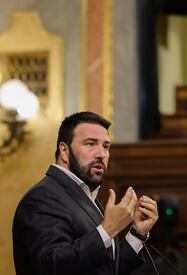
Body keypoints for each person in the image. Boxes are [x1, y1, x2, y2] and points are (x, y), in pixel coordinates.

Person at [13, 112, 159, 275]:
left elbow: (105, 269)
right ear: (64, 151)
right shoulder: (41, 197)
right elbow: (50, 267)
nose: (101, 154)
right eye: (90, 144)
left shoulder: (85, 196)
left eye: (105, 146)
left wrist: (137, 234)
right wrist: (108, 228)